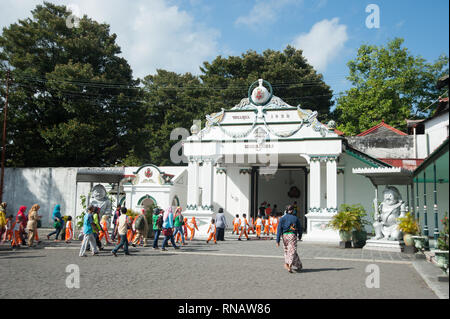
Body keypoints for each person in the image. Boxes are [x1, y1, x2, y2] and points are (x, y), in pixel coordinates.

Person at [276, 205, 303, 273]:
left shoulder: (282, 218)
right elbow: (300, 228)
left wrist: (278, 240)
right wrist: (300, 235)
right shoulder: (295, 218)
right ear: (292, 210)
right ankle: (289, 264)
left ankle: (298, 265)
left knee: (287, 250)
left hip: (284, 235)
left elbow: (279, 229)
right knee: (292, 250)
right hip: (292, 235)